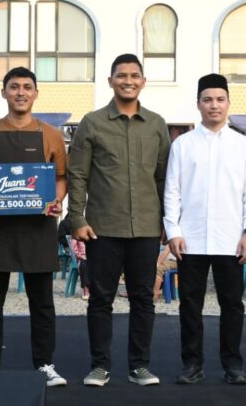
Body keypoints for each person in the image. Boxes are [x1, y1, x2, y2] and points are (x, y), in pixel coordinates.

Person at [68, 53, 170, 387]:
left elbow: (163, 178)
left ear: (143, 81)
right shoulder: (93, 122)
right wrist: (76, 219)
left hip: (145, 227)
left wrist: (167, 223)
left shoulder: (156, 124)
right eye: (121, 75)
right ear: (110, 80)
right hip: (102, 228)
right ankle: (100, 366)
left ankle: (139, 365)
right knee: (100, 299)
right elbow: (78, 175)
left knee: (143, 298)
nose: (128, 81)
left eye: (134, 75)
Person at [0, 66, 67, 386]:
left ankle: (45, 365)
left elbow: (61, 177)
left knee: (43, 302)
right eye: (14, 86)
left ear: (36, 93)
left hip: (38, 228)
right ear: (4, 92)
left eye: (27, 87)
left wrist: (56, 200)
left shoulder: (51, 134)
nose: (21, 92)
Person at [164, 74, 246, 386]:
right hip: (190, 239)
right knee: (190, 304)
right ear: (198, 104)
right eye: (208, 99)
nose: (214, 105)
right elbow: (172, 192)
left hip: (230, 238)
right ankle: (192, 363)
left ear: (228, 103)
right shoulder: (183, 145)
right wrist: (173, 231)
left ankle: (233, 364)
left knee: (232, 304)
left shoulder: (243, 146)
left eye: (220, 99)